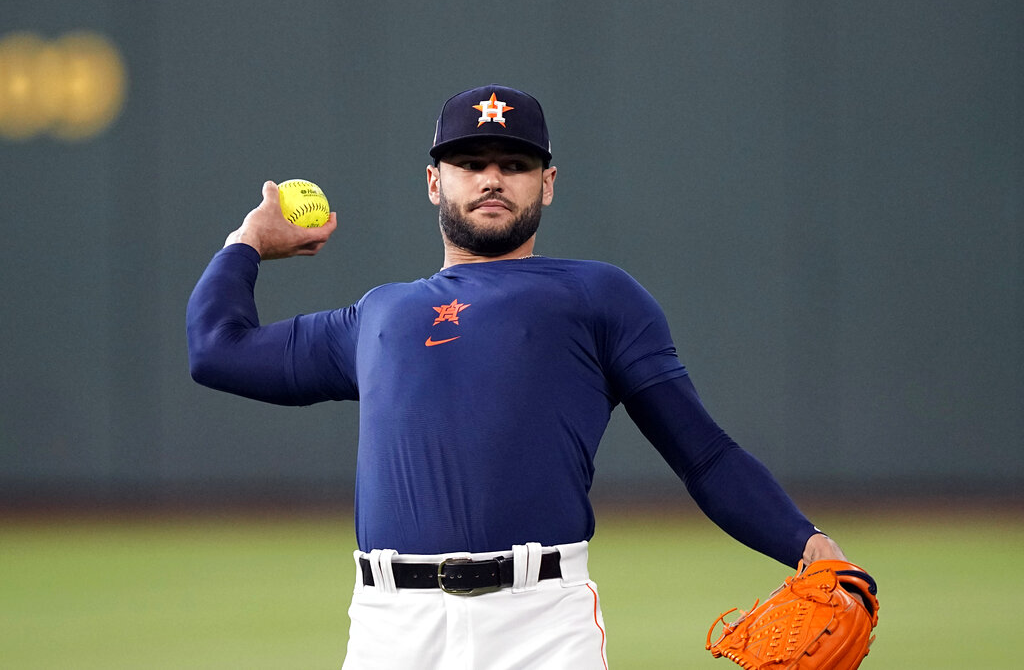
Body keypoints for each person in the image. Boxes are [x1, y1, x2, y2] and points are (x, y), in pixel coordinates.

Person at [187, 84, 856, 669]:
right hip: (391, 628)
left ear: (549, 182)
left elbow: (704, 453)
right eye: (471, 163)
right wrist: (246, 243)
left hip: (541, 624)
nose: (492, 178)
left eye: (515, 164)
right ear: (433, 182)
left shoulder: (598, 295)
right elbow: (217, 350)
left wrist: (808, 542)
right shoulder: (378, 314)